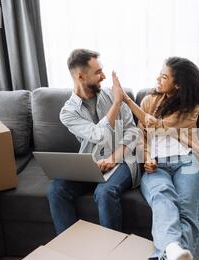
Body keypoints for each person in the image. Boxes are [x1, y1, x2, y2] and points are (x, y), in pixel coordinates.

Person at [113, 57, 199, 260]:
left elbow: (158, 126)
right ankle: (174, 253)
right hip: (156, 164)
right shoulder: (148, 100)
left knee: (187, 205)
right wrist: (146, 158)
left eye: (164, 77)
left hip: (187, 161)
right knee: (161, 196)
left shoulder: (191, 107)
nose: (157, 79)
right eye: (159, 74)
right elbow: (142, 134)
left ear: (177, 85)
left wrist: (126, 100)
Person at [47, 49, 140, 234]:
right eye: (98, 72)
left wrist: (113, 158)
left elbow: (133, 133)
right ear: (80, 76)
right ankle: (71, 248)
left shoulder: (111, 95)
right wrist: (116, 103)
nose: (104, 76)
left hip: (123, 158)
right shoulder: (68, 113)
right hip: (93, 163)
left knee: (105, 193)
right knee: (56, 190)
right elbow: (99, 135)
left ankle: (112, 251)